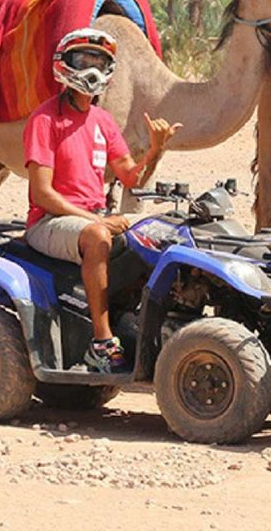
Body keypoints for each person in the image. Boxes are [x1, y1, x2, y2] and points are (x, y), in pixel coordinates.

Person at [23, 28, 181, 374]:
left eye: (100, 61)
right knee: (98, 236)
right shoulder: (45, 119)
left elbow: (131, 178)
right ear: (65, 64)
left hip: (91, 218)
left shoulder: (103, 121)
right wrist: (97, 220)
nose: (92, 69)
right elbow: (42, 194)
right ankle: (101, 342)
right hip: (48, 222)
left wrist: (155, 151)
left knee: (159, 237)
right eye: (84, 59)